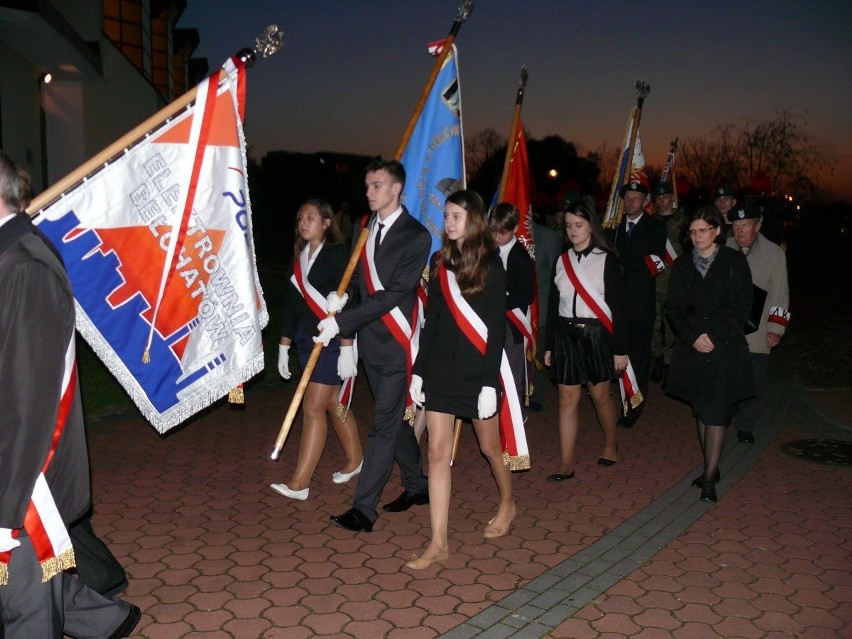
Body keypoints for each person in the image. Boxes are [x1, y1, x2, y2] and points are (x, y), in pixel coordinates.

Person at [0, 151, 140, 638]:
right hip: (15, 478)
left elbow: (28, 402)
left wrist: (7, 510)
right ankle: (108, 619)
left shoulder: (25, 266)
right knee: (29, 594)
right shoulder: (9, 255)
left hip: (20, 486)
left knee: (26, 611)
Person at [314, 159, 431, 532]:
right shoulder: (363, 227)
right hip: (370, 343)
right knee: (394, 421)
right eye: (367, 186)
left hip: (398, 343)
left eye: (377, 186)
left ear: (397, 188)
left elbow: (395, 294)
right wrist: (345, 326)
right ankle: (417, 485)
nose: (369, 192)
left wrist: (341, 323)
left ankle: (363, 510)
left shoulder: (417, 236)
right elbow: (357, 282)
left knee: (382, 426)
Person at [406, 189, 514, 569]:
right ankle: (438, 542)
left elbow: (496, 329)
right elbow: (432, 321)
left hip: (476, 371)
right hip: (441, 371)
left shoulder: (491, 263)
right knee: (436, 452)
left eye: (456, 216)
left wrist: (488, 383)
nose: (448, 222)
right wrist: (419, 370)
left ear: (474, 220)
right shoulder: (440, 261)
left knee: (488, 448)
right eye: (447, 216)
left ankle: (507, 501)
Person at [270, 199, 363, 501]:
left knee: (312, 407)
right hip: (305, 340)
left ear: (326, 223)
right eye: (300, 217)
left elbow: (354, 291)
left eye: (311, 217)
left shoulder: (338, 253)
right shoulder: (300, 256)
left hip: (333, 341)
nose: (304, 222)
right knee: (333, 403)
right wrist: (284, 345)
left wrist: (347, 344)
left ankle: (300, 483)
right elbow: (294, 303)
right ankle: (356, 460)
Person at [665, 207, 755, 503]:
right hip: (693, 348)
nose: (697, 236)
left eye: (702, 230)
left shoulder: (733, 261)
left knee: (716, 410)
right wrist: (693, 338)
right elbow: (673, 309)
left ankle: (709, 477)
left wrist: (713, 337)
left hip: (723, 347)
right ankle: (710, 468)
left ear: (717, 231)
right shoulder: (681, 265)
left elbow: (742, 306)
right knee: (702, 408)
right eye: (692, 232)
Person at [544, 200, 627, 480]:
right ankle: (566, 463)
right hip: (566, 334)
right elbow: (553, 306)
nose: (572, 231)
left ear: (591, 225)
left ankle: (609, 443)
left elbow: (618, 308)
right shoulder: (561, 260)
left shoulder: (607, 259)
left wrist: (620, 350)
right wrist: (548, 345)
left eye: (578, 225)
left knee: (600, 395)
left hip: (596, 334)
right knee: (567, 399)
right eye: (568, 226)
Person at [726, 205, 790, 444]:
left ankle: (745, 427)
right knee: (729, 377)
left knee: (753, 382)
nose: (739, 230)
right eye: (735, 226)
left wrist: (776, 329)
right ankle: (727, 412)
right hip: (729, 330)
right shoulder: (725, 248)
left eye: (745, 225)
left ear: (758, 226)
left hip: (758, 329)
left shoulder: (774, 254)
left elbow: (780, 293)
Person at [610, 181, 667, 428]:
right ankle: (618, 396)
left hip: (639, 306)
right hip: (613, 305)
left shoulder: (656, 228)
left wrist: (621, 263)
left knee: (638, 360)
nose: (630, 202)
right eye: (628, 198)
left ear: (646, 202)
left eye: (636, 197)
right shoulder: (613, 228)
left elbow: (653, 264)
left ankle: (633, 408)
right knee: (616, 355)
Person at [490, 202, 535, 413]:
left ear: (515, 229)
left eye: (503, 232)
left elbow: (526, 294)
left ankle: (514, 419)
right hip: (492, 321)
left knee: (512, 374)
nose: (497, 237)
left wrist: (497, 302)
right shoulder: (490, 252)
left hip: (512, 323)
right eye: (494, 231)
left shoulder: (521, 257)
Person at [650, 182, 687, 384]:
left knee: (672, 324)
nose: (661, 201)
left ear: (672, 198)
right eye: (658, 197)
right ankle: (656, 359)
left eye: (664, 197)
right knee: (655, 324)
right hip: (654, 281)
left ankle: (669, 363)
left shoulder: (684, 222)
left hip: (675, 281)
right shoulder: (650, 222)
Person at [529, 209, 563, 411]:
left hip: (539, 308)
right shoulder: (500, 233)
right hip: (511, 309)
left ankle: (536, 395)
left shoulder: (546, 236)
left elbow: (556, 274)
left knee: (538, 354)